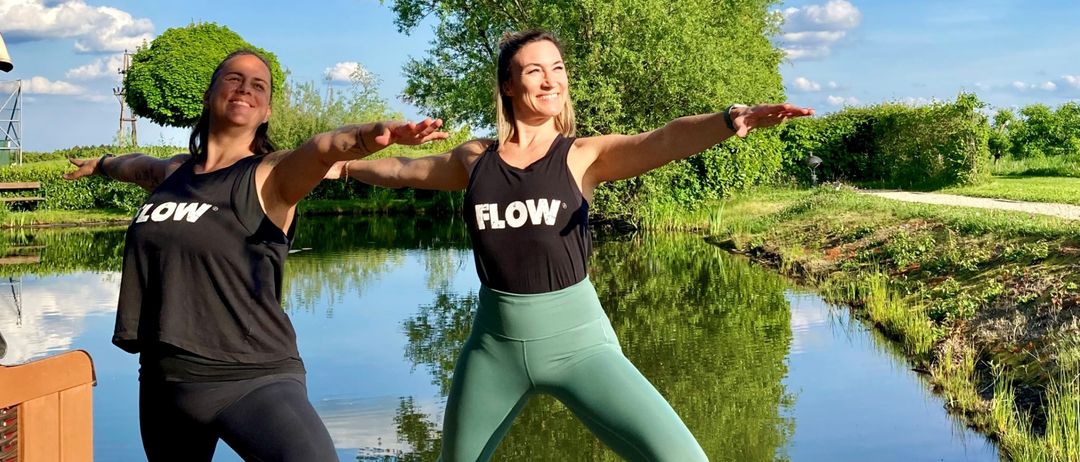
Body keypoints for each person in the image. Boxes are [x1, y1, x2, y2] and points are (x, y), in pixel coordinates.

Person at [327, 29, 813, 461]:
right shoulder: (475, 159)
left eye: (557, 69)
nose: (549, 80)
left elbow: (663, 139)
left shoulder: (583, 155)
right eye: (534, 70)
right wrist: (337, 164)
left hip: (579, 347)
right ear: (507, 86)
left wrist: (730, 119)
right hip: (493, 347)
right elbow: (402, 169)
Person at [64, 50, 446, 462]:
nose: (245, 87)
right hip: (165, 382)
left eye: (258, 85)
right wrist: (100, 164)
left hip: (252, 378)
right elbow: (137, 165)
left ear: (265, 112)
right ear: (210, 95)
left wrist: (369, 136)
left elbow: (321, 148)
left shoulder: (272, 174)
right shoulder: (174, 174)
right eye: (233, 78)